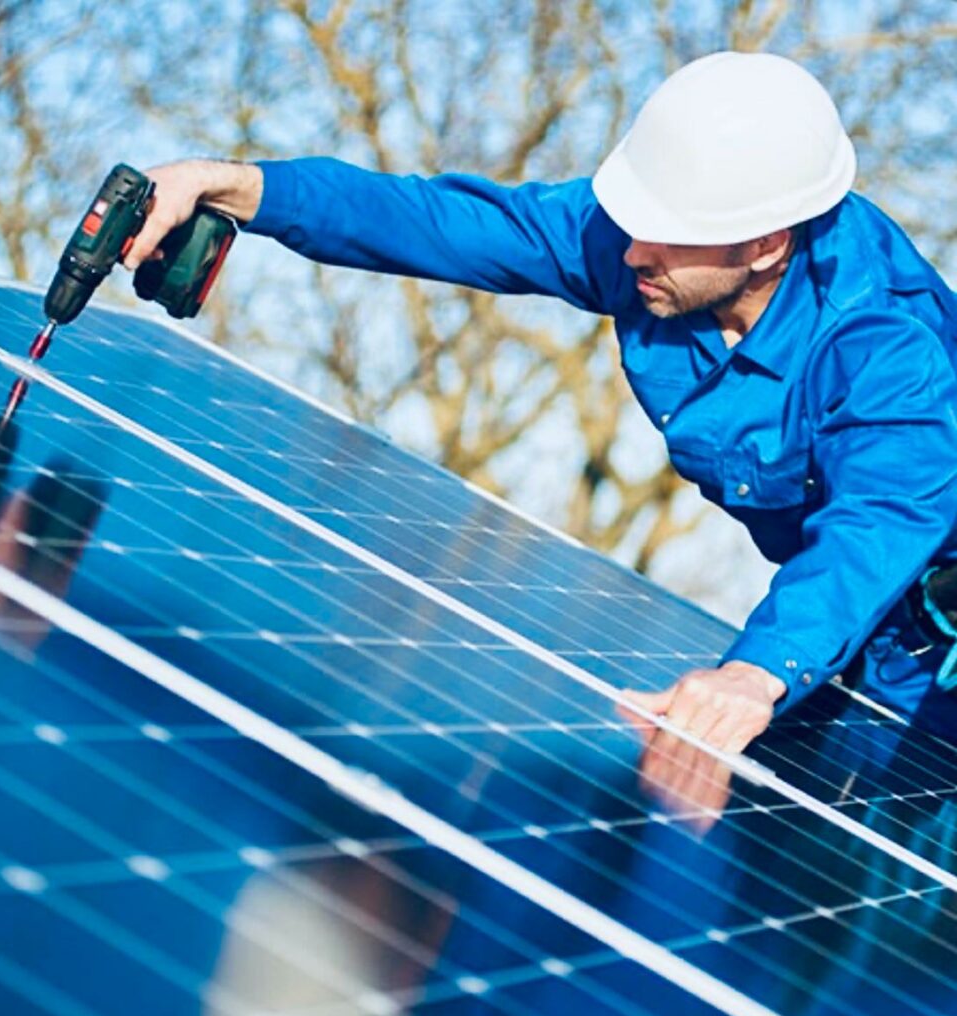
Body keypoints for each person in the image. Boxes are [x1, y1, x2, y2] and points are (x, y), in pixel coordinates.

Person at [121, 51, 957, 754]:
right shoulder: (660, 243)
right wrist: (228, 185)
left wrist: (759, 670)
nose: (629, 250)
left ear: (767, 242)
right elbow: (445, 223)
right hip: (837, 633)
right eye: (631, 221)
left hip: (927, 643)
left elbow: (876, 528)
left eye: (660, 231)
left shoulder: (889, 349)